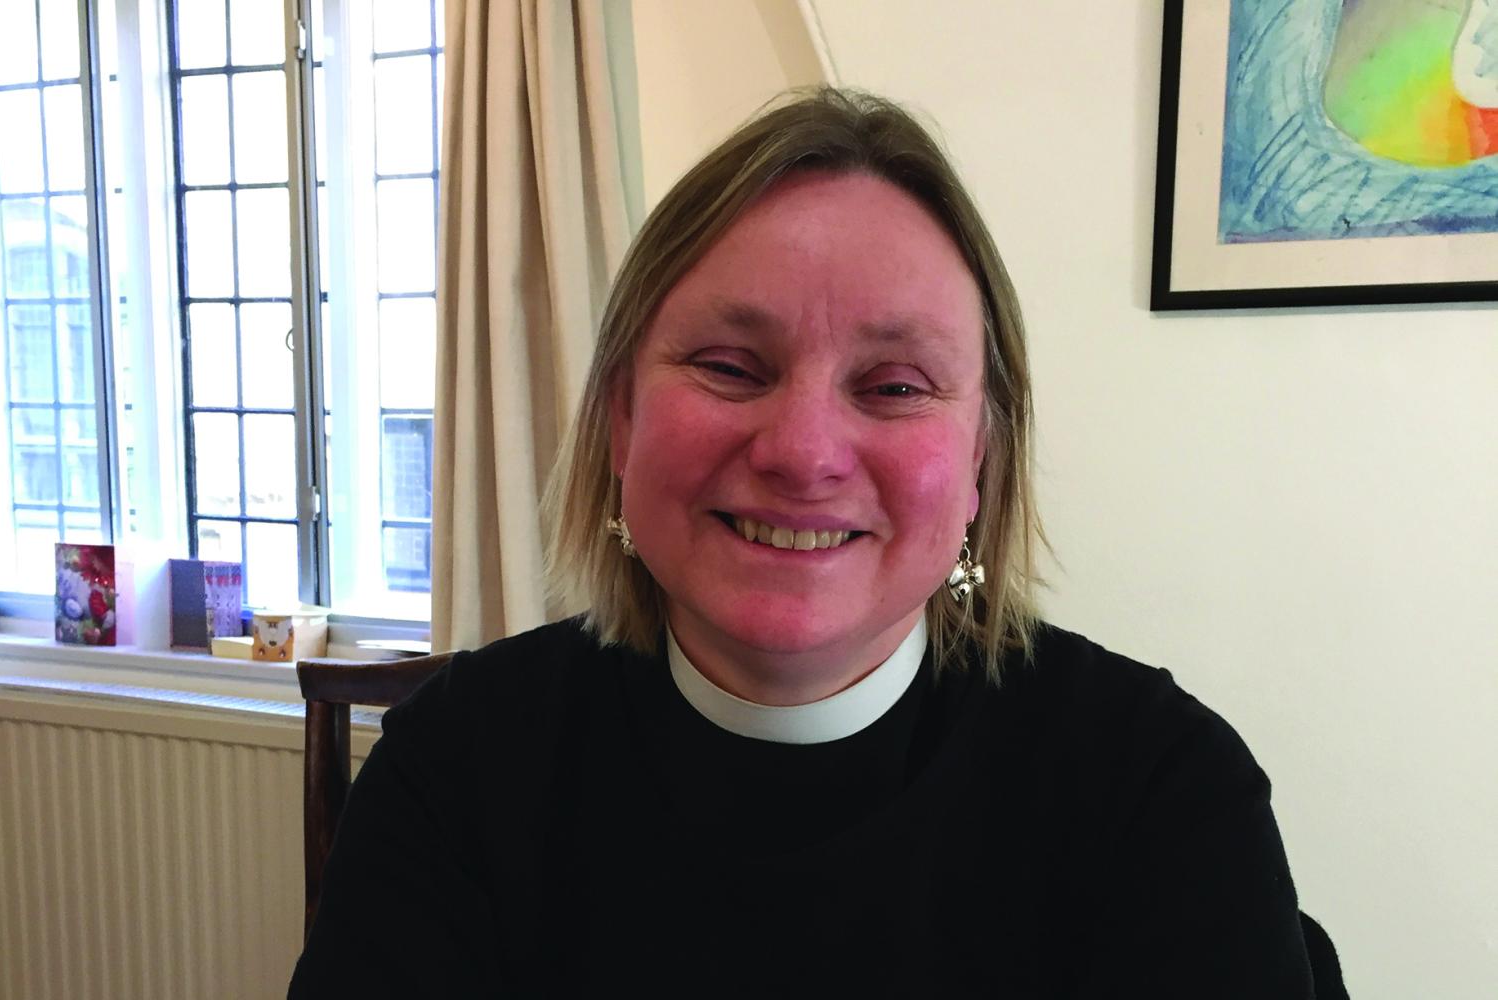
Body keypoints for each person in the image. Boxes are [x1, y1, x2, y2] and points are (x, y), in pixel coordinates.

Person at [290, 88, 1340, 997]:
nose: (801, 451)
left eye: (892, 386)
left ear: (981, 458)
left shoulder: (1160, 794)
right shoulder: (455, 773)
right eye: (730, 366)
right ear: (620, 421)